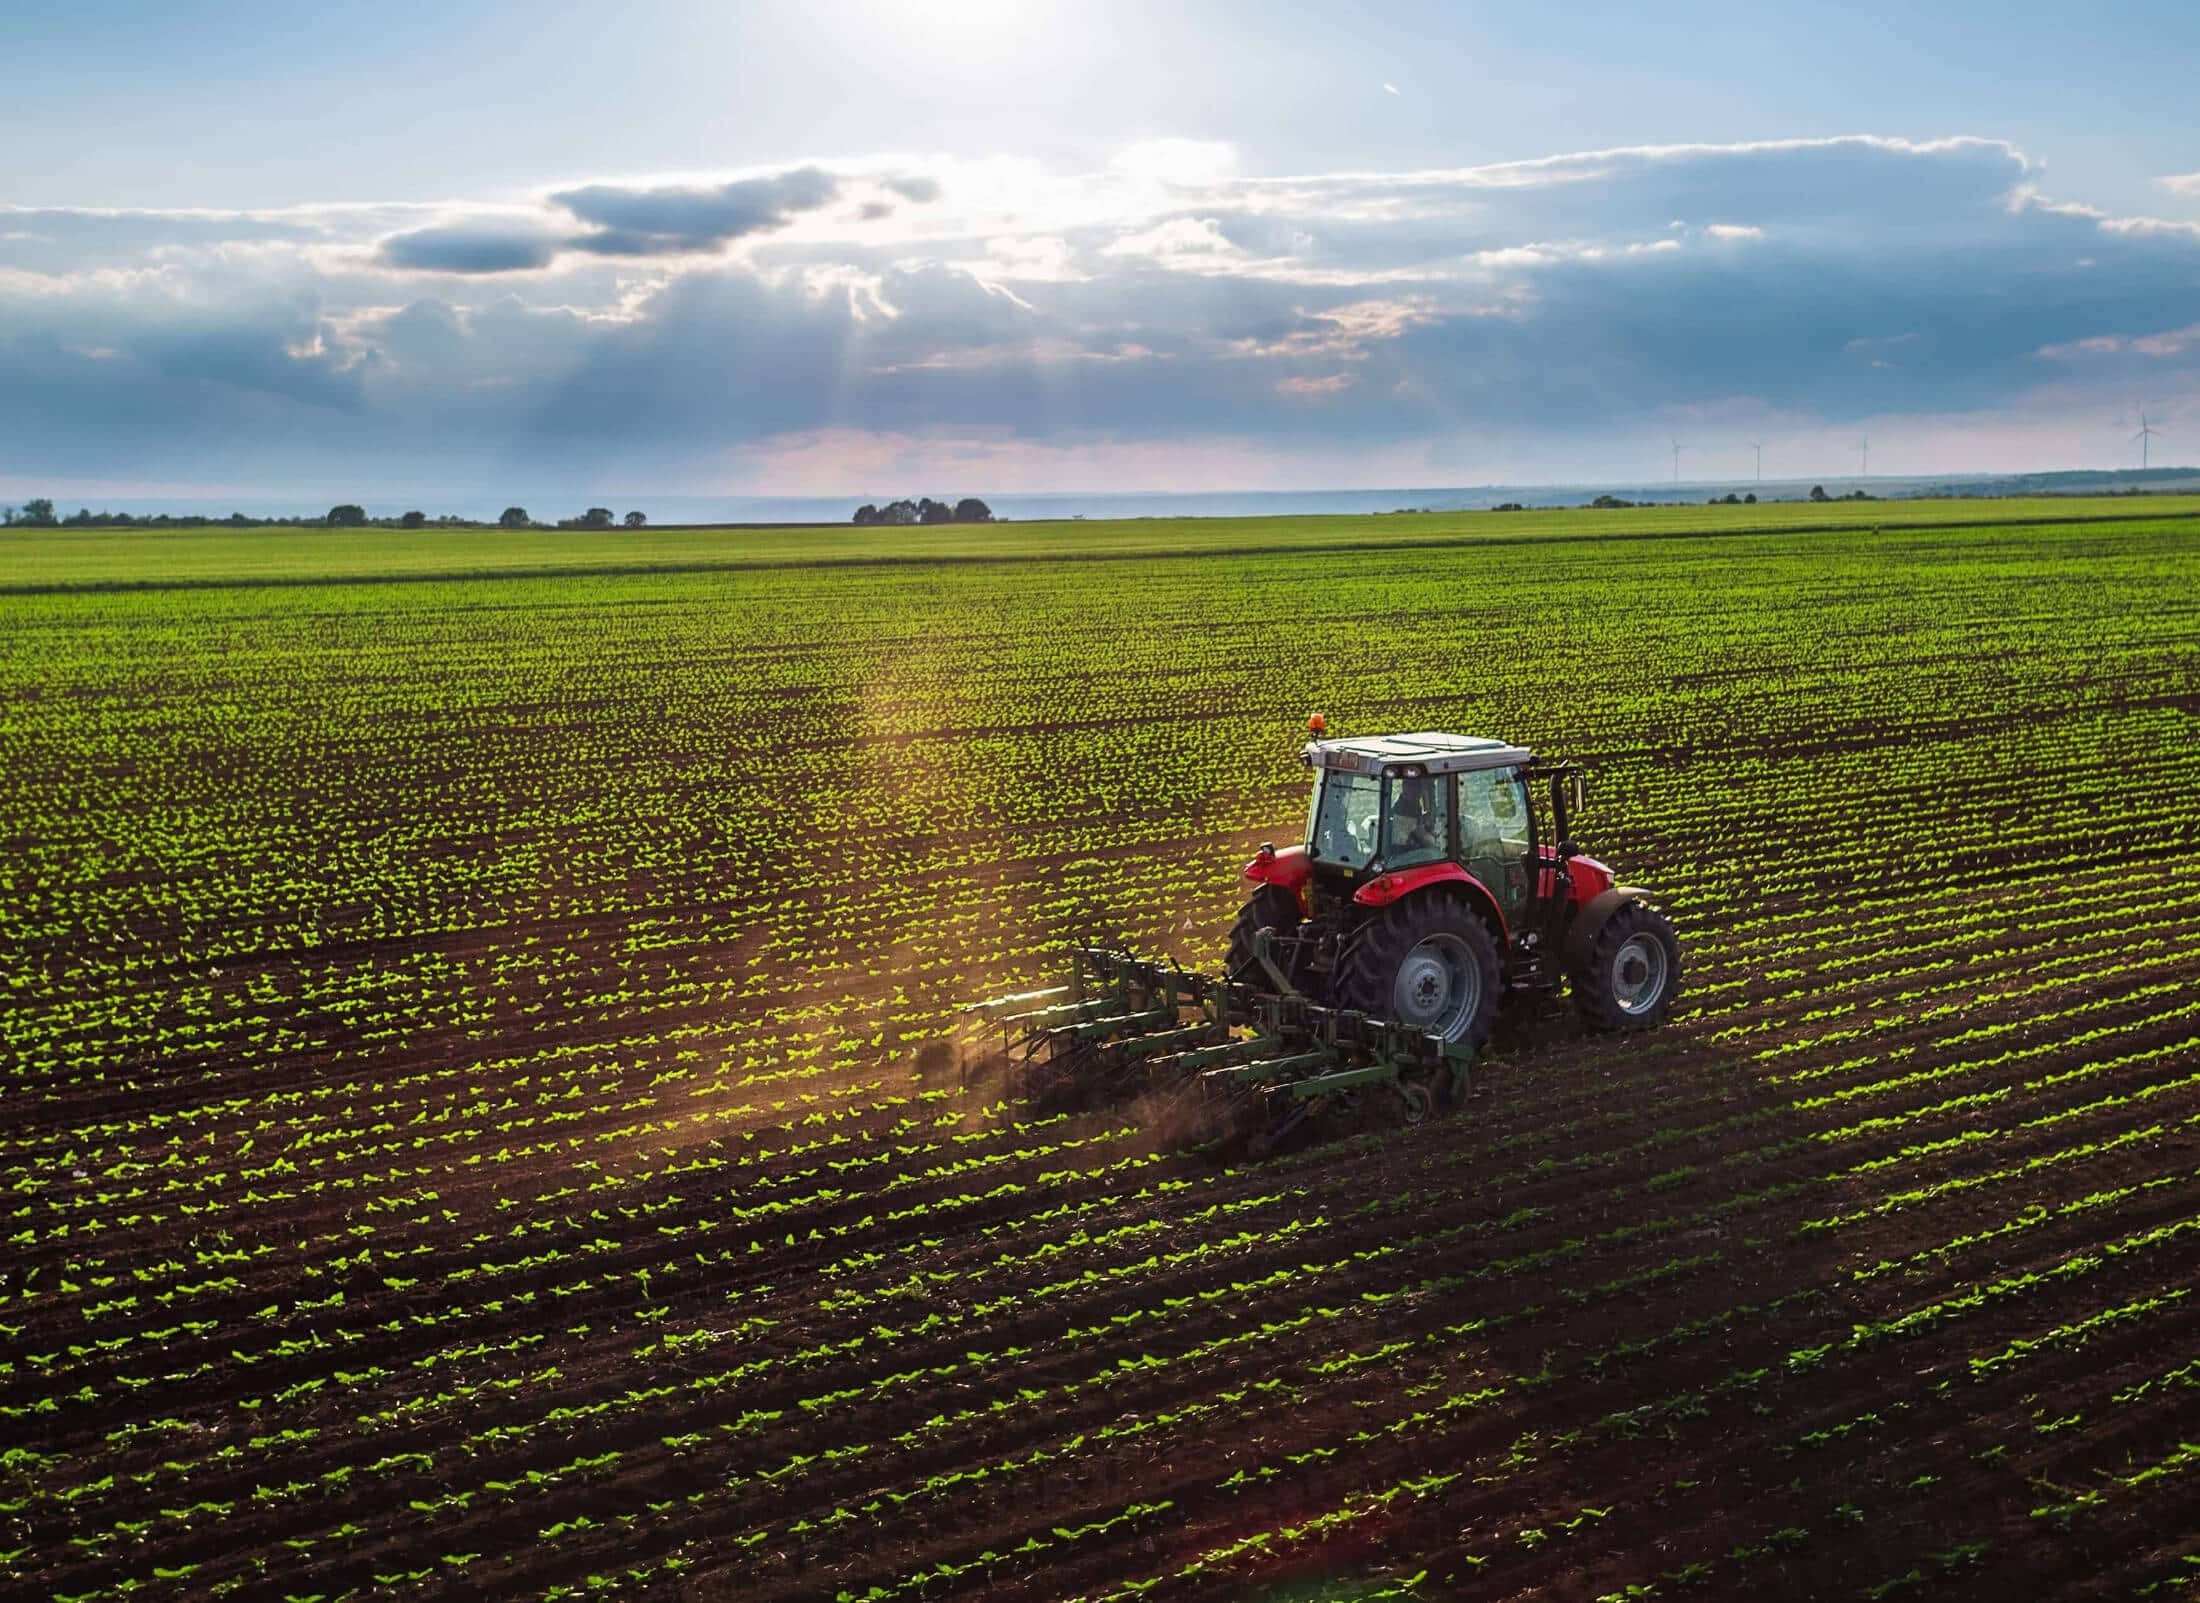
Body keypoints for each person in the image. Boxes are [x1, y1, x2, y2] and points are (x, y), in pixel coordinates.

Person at [1387, 775, 1441, 859]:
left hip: (1411, 850)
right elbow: (1427, 841)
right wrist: (1438, 840)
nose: (1421, 791)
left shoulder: (1413, 804)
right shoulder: (1403, 809)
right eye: (1420, 787)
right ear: (1406, 787)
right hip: (1403, 856)